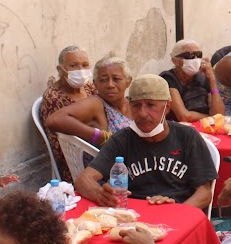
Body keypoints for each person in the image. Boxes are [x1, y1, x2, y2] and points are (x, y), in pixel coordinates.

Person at [76, 75, 216, 208]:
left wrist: (177, 211)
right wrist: (101, 196)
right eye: (136, 106)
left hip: (178, 209)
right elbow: (83, 180)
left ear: (167, 107)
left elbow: (204, 194)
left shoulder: (187, 136)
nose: (142, 113)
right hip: (135, 215)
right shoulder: (122, 139)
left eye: (150, 105)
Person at [45, 55, 135, 147]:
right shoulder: (96, 103)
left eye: (116, 79)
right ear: (95, 83)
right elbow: (54, 120)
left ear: (128, 81)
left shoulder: (133, 104)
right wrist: (98, 136)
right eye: (103, 80)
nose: (110, 85)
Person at [38, 46, 96, 182]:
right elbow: (63, 142)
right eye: (73, 66)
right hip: (74, 157)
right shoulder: (54, 98)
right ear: (60, 70)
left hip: (95, 144)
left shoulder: (89, 87)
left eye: (85, 65)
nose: (80, 70)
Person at [161, 40, 225, 123]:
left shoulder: (202, 77)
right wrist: (210, 117)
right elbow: (184, 116)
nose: (195, 59)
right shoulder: (168, 79)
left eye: (198, 55)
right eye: (189, 55)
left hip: (206, 126)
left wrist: (212, 78)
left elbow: (219, 113)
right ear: (175, 61)